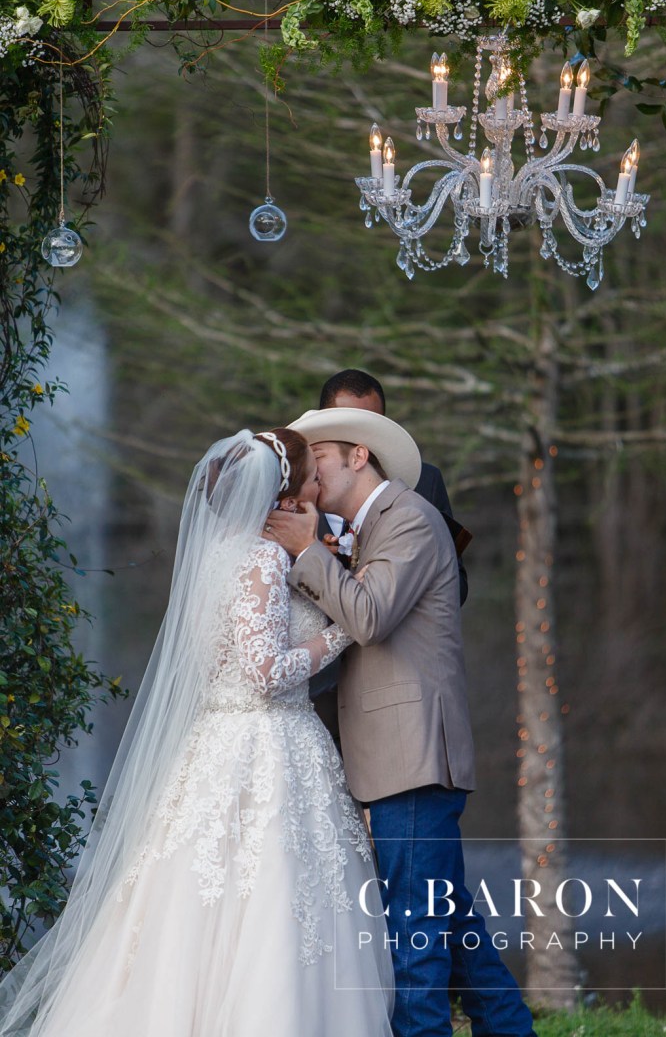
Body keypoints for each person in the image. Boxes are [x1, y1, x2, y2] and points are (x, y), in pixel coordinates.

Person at [0, 428, 393, 1037]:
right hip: (268, 745)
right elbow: (266, 674)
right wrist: (339, 633)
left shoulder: (216, 558)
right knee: (273, 897)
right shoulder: (264, 560)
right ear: (286, 491)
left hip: (216, 743)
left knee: (198, 897)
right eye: (311, 476)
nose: (320, 484)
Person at [265, 409, 537, 1037]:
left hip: (411, 757)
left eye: (321, 459)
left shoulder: (409, 518)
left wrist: (307, 551)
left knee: (415, 941)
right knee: (453, 924)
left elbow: (368, 617)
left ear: (359, 456)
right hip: (389, 757)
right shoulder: (363, 530)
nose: (312, 474)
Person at [318, 369, 468, 605]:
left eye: (372, 427)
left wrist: (400, 575)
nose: (362, 443)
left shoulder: (424, 482)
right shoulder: (298, 490)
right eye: (347, 430)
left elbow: (455, 584)